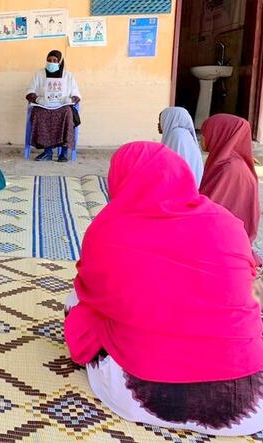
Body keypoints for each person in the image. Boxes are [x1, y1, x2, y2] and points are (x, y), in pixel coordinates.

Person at [64, 142, 263, 436]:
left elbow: (90, 290)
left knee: (77, 298)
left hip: (140, 396)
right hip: (249, 405)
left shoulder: (108, 230)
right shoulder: (227, 224)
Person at [200, 114, 259, 244]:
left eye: (205, 132)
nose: (201, 138)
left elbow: (212, 204)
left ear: (220, 134)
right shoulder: (224, 161)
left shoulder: (230, 168)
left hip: (224, 238)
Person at [26, 50, 81, 162]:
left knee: (68, 113)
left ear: (60, 62)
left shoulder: (68, 75)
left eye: (55, 61)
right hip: (44, 105)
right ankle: (47, 152)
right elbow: (29, 91)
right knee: (38, 113)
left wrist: (70, 99)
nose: (51, 63)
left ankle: (64, 153)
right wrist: (37, 99)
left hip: (62, 106)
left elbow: (76, 94)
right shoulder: (39, 74)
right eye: (49, 60)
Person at [159, 107, 204, 187]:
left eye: (161, 120)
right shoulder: (185, 135)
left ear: (170, 119)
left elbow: (174, 168)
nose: (158, 124)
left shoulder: (177, 135)